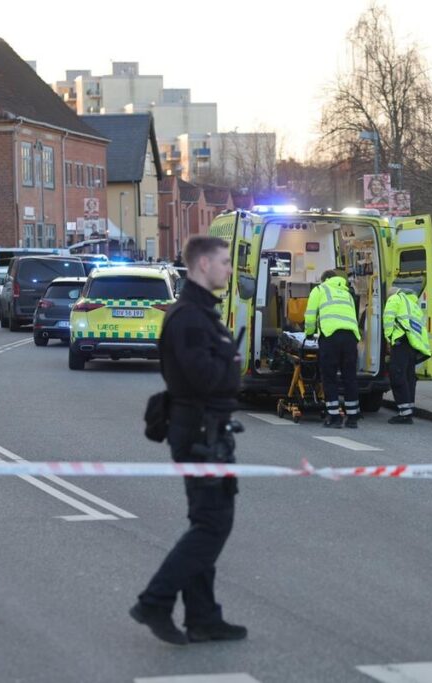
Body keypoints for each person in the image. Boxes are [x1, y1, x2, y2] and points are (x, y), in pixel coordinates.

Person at [130, 235, 247, 646]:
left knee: (208, 522)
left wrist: (228, 363)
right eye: (224, 261)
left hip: (207, 430)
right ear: (203, 265)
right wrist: (231, 362)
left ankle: (203, 617)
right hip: (199, 431)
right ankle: (155, 601)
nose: (229, 269)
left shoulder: (201, 313)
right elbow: (203, 377)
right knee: (212, 524)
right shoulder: (189, 318)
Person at [305, 269, 361, 428]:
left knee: (329, 377)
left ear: (324, 280)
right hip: (350, 337)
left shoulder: (319, 289)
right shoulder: (347, 294)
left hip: (330, 337)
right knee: (349, 377)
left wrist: (309, 333)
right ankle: (352, 418)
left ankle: (334, 417)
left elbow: (310, 315)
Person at [383, 286, 432, 425]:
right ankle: (409, 408)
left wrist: (389, 338)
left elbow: (388, 319)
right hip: (413, 344)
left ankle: (404, 414)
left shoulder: (395, 299)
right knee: (409, 376)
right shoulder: (412, 304)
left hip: (400, 341)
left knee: (397, 376)